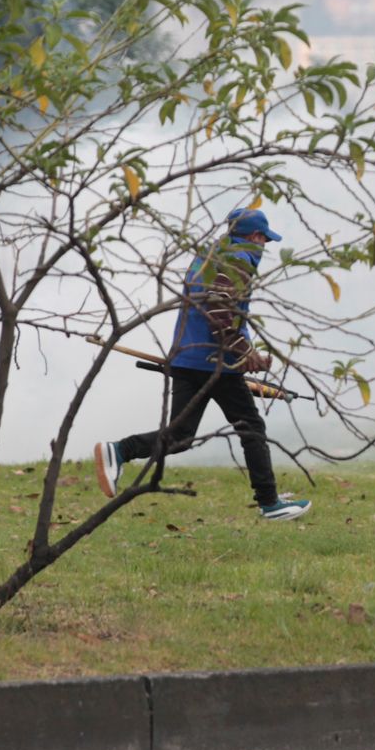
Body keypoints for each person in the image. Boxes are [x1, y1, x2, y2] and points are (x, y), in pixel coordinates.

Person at [93, 207, 310, 520]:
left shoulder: (209, 256)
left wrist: (243, 353)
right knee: (251, 427)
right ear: (255, 236)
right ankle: (269, 503)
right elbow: (220, 313)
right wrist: (246, 355)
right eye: (265, 239)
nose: (265, 246)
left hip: (188, 356)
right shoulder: (238, 260)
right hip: (214, 362)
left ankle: (120, 451)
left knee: (180, 436)